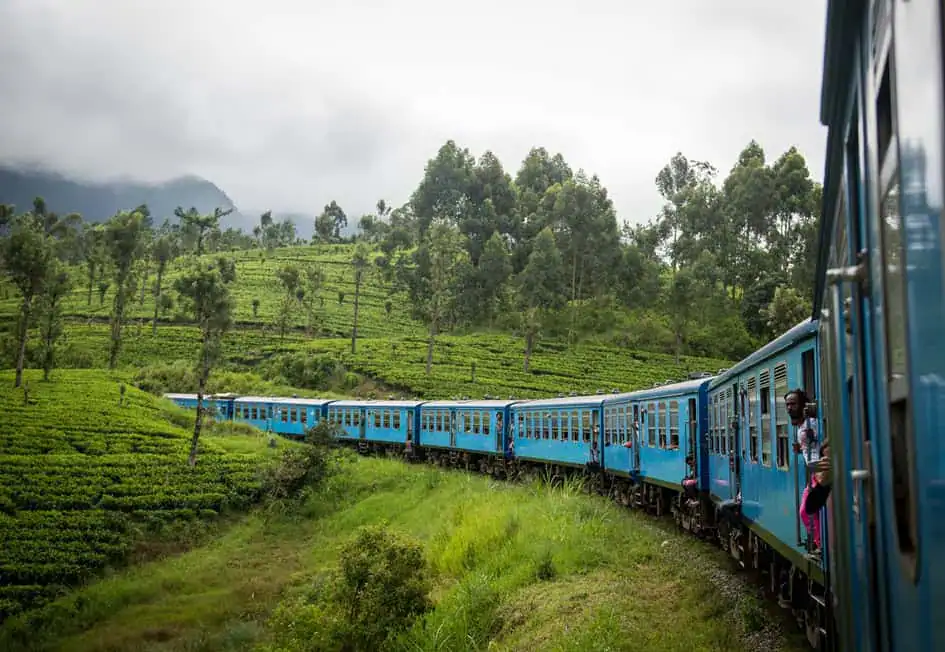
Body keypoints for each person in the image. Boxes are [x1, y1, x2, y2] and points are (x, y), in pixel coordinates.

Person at [785, 388, 822, 555]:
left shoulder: (811, 424)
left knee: (806, 511)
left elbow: (820, 443)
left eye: (793, 404)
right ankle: (820, 543)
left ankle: (821, 545)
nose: (789, 408)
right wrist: (801, 448)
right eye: (787, 404)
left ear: (803, 406)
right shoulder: (802, 426)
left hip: (820, 472)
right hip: (815, 474)